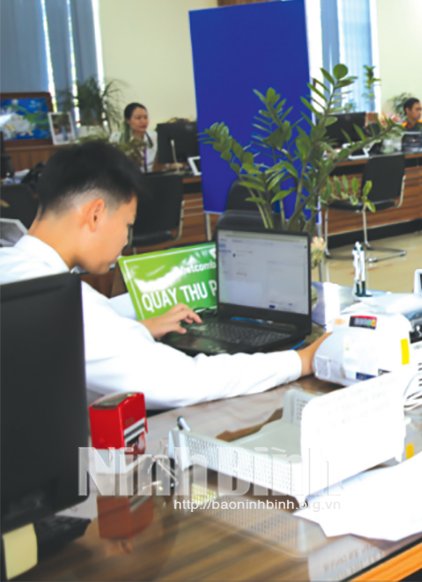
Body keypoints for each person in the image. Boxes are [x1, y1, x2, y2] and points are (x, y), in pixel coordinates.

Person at [0, 141, 328, 410]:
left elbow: (78, 337)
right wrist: (301, 360)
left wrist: (136, 328)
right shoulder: (64, 302)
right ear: (96, 213)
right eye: (128, 225)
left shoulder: (13, 267)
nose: (126, 241)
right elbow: (184, 381)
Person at [119, 103, 156, 172]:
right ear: (127, 120)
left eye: (145, 117)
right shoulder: (118, 139)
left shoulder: (154, 137)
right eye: (138, 118)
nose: (143, 121)